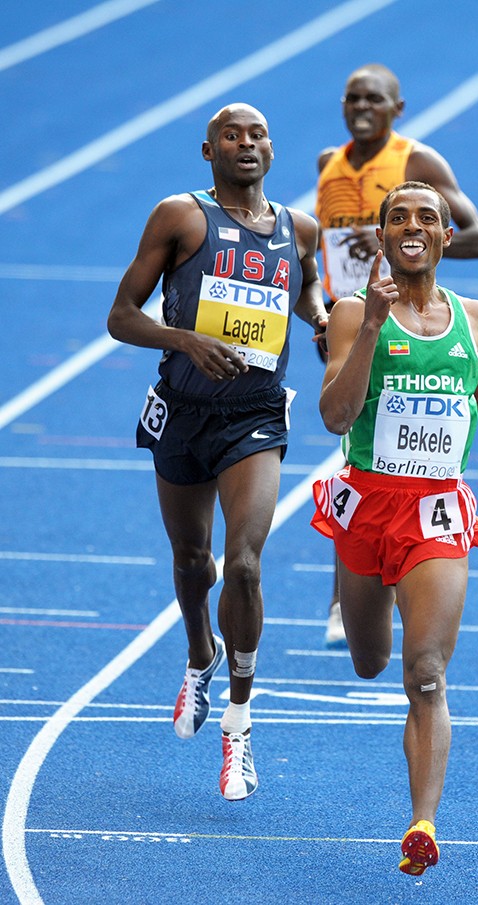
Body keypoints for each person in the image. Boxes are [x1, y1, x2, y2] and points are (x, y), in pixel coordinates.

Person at [310, 182, 478, 872]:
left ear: (444, 237)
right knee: (370, 660)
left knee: (426, 673)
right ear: (381, 238)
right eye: (397, 216)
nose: (411, 225)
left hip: (436, 510)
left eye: (425, 217)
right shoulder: (351, 313)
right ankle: (347, 589)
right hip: (368, 503)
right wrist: (372, 326)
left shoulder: (473, 315)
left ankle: (422, 822)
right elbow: (336, 417)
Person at [107, 103, 327, 800]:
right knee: (191, 559)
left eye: (258, 133)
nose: (247, 144)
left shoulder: (302, 229)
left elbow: (307, 286)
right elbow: (120, 316)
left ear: (272, 146)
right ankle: (199, 652)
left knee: (245, 563)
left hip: (256, 416)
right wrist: (187, 341)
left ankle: (238, 719)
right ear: (208, 150)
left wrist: (321, 319)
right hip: (182, 410)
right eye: (232, 135)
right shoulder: (180, 217)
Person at [315, 63, 478, 647]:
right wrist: (325, 311)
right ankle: (356, 585)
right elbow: (321, 251)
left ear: (398, 108)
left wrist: (400, 247)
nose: (361, 106)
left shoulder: (419, 165)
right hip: (354, 322)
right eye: (352, 97)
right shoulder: (328, 166)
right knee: (356, 450)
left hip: (409, 316)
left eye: (374, 98)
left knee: (384, 442)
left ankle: (368, 587)